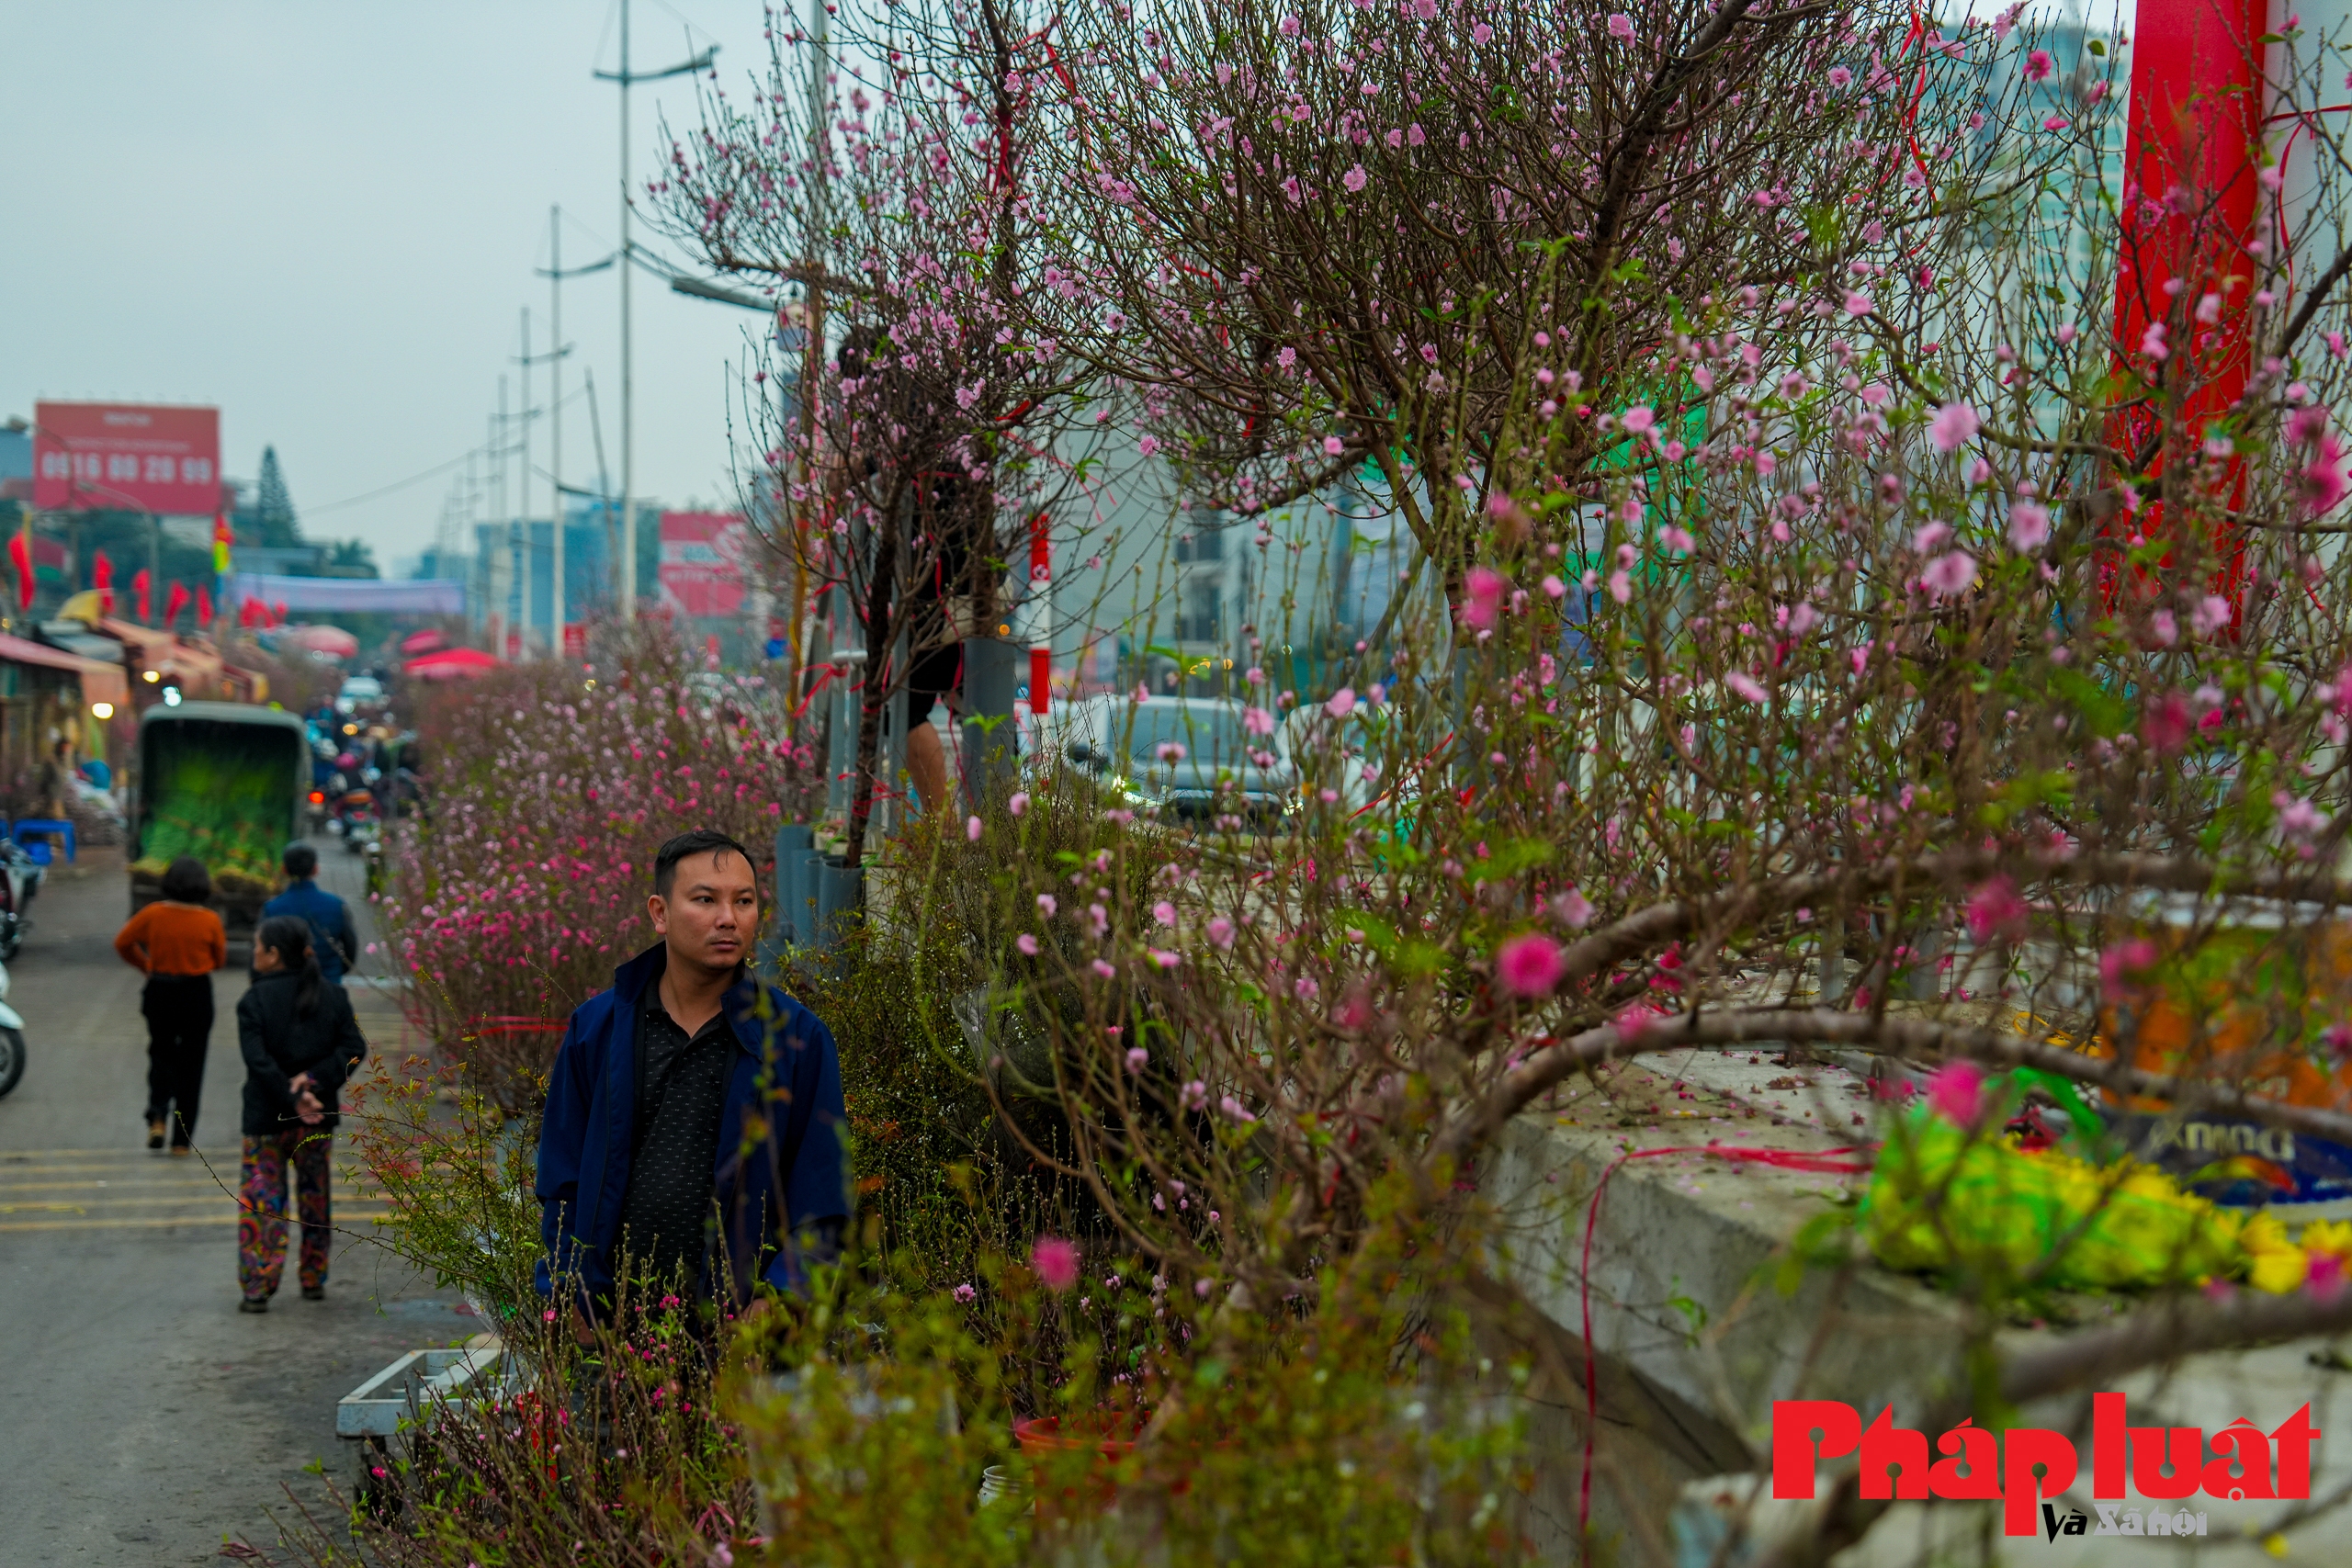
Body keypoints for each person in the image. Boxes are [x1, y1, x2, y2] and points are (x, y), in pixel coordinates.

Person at [536, 829, 847, 1329]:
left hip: (738, 1340)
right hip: (612, 1333)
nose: (728, 918)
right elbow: (562, 1179)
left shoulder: (797, 1040)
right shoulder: (598, 1028)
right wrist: (565, 1290)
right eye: (706, 899)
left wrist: (781, 1301)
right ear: (659, 913)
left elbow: (823, 1198)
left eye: (743, 901)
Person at [234, 915, 368, 1313]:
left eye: (258, 946)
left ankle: (258, 1286)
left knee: (263, 1199)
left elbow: (257, 1062)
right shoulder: (333, 996)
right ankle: (313, 1277)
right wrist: (312, 1083)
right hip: (316, 1116)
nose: (253, 953)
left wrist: (292, 1095)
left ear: (274, 955)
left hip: (265, 1118)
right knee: (314, 1194)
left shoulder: (254, 1000)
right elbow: (353, 1048)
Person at [114, 857, 227, 1153]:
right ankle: (181, 1140)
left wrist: (146, 965)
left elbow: (122, 942)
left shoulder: (152, 914)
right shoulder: (210, 920)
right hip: (196, 993)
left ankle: (158, 1116)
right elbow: (219, 960)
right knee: (193, 1064)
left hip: (160, 991)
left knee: (161, 1054)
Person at [262, 842, 358, 984]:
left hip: (284, 986)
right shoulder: (336, 905)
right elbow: (350, 947)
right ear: (315, 869)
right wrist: (335, 971)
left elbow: (261, 951)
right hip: (328, 983)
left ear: (284, 869)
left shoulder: (271, 908)